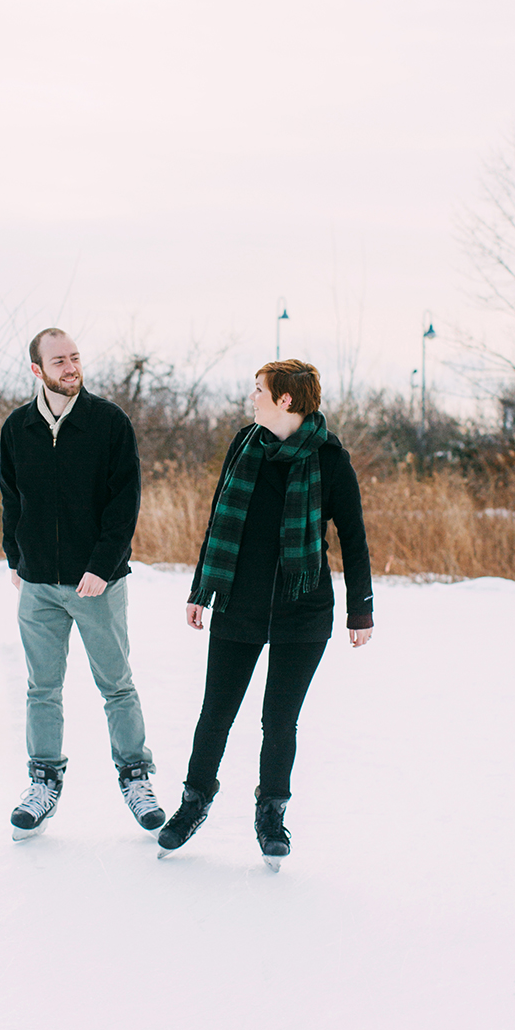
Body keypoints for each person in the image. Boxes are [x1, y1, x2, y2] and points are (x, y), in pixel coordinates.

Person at [157, 359, 373, 869]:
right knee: (216, 712)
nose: (251, 397)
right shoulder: (244, 444)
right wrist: (199, 589)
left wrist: (360, 611)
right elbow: (217, 519)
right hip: (239, 601)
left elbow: (355, 538)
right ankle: (193, 805)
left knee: (280, 720)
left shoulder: (329, 459)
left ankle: (271, 814)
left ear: (285, 400)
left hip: (303, 607)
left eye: (259, 390)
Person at [0, 327, 165, 840]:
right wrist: (15, 557)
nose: (71, 368)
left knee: (116, 685)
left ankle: (135, 776)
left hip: (98, 583)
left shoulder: (108, 422)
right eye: (59, 361)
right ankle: (43, 781)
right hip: (38, 585)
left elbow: (124, 502)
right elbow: (11, 497)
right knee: (41, 689)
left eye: (75, 358)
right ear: (37, 371)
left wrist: (101, 565)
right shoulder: (17, 428)